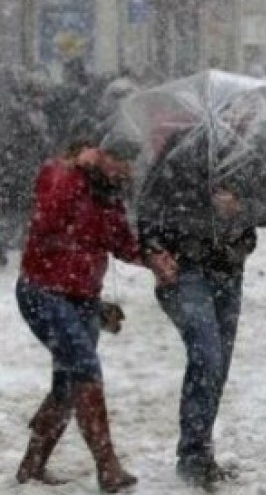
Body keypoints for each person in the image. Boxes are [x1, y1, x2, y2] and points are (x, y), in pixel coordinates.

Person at [15, 133, 177, 491]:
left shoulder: (109, 197)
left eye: (129, 166)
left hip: (83, 298)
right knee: (85, 370)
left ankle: (32, 465)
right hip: (44, 292)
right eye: (119, 162)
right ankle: (108, 465)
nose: (125, 170)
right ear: (99, 155)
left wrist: (151, 259)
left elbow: (120, 242)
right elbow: (48, 218)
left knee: (68, 384)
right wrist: (76, 172)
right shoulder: (58, 174)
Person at [136, 101, 266, 488]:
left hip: (229, 270)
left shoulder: (256, 151)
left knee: (218, 364)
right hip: (186, 269)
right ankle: (193, 455)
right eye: (228, 109)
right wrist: (152, 249)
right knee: (207, 353)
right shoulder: (183, 148)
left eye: (242, 110)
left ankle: (200, 450)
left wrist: (239, 207)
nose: (237, 117)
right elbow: (148, 203)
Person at [0, 70, 51, 267]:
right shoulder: (22, 114)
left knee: (17, 213)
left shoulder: (30, 114)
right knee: (18, 213)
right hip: (19, 170)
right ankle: (20, 248)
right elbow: (32, 144)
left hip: (19, 170)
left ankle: (17, 248)